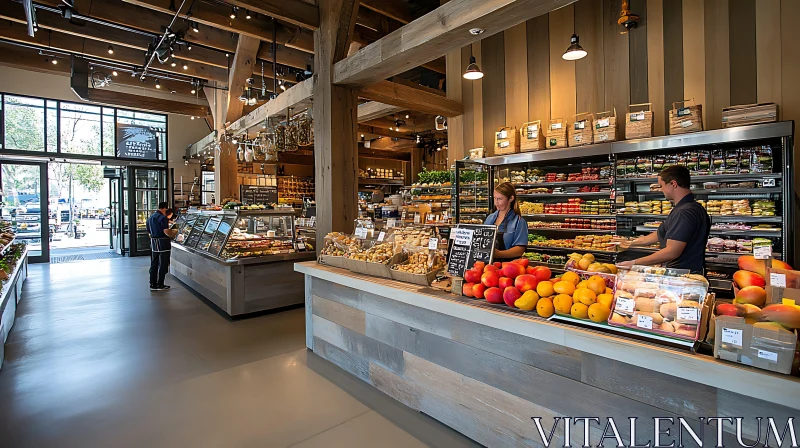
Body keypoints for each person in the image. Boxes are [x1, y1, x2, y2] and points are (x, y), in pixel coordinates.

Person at [618, 166, 710, 274]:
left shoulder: (684, 212)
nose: (661, 190)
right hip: (685, 273)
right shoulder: (691, 207)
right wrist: (630, 243)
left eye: (661, 186)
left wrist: (634, 263)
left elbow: (671, 252)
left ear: (673, 184)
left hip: (683, 277)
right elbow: (659, 234)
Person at [485, 182, 529, 262]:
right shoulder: (490, 218)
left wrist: (499, 254)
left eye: (500, 199)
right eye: (495, 198)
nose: (496, 203)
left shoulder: (519, 221)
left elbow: (520, 250)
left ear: (511, 198)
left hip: (510, 267)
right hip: (489, 266)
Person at [146, 202, 178, 291]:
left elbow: (148, 230)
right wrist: (174, 233)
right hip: (163, 242)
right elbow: (166, 231)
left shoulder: (151, 217)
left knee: (154, 263)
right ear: (164, 208)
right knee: (163, 264)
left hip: (154, 243)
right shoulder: (162, 218)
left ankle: (152, 283)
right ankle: (160, 284)